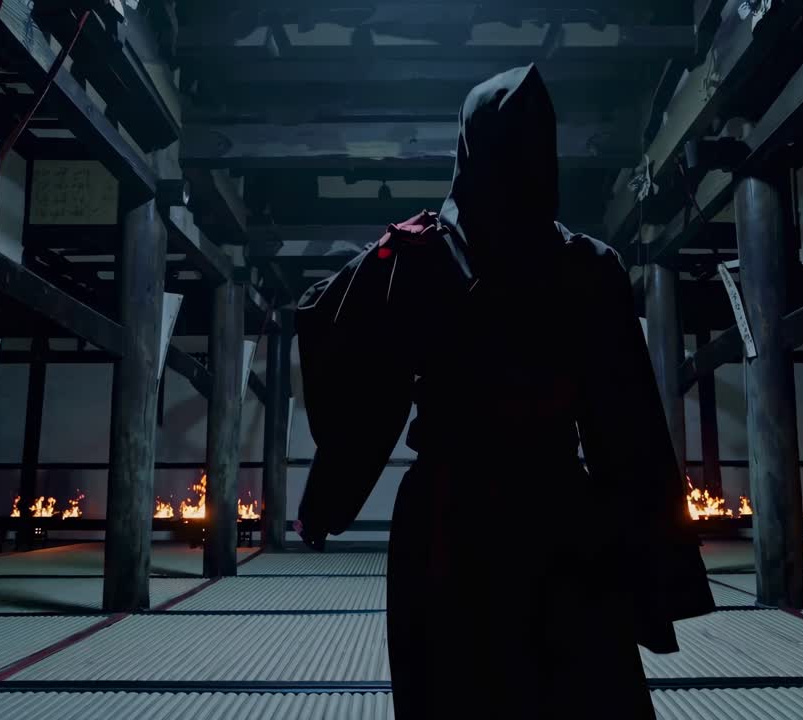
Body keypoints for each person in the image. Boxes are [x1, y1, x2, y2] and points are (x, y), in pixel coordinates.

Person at [292, 64, 714, 719]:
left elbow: (342, 348)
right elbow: (628, 436)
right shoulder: (587, 266)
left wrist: (382, 260)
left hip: (447, 522)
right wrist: (653, 577)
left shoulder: (417, 254)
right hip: (558, 513)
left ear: (468, 147)